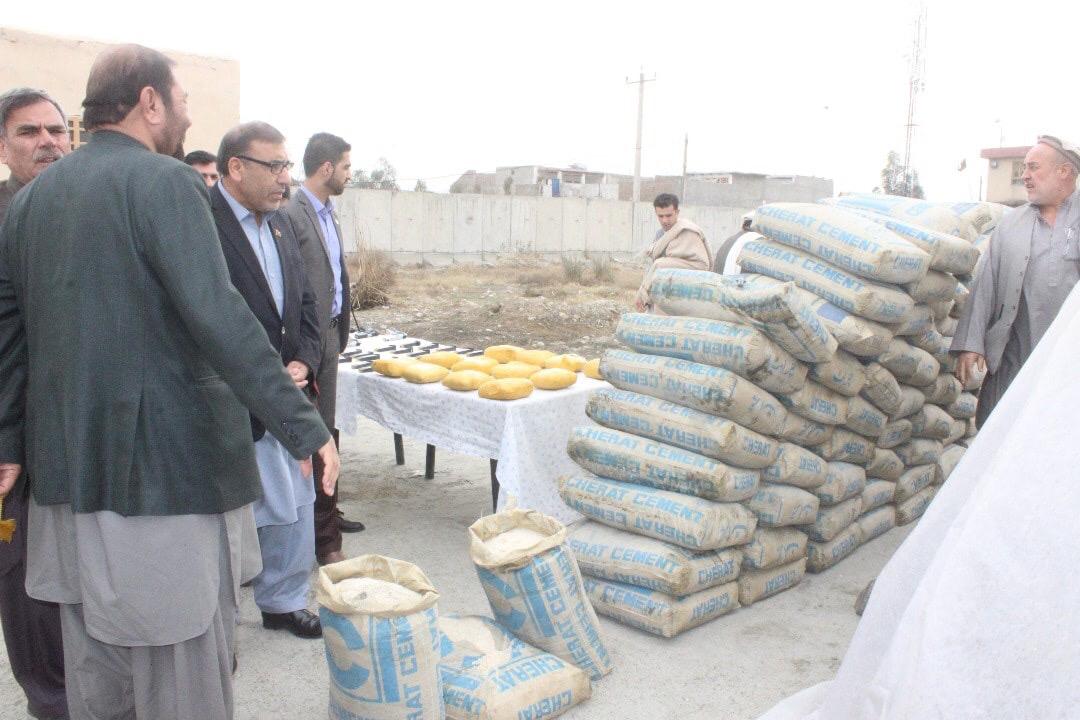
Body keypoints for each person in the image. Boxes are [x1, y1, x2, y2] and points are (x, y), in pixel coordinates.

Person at [0, 44, 340, 719]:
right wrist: (304, 426)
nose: (186, 118)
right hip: (162, 480)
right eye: (181, 103)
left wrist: (10, 440)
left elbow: (13, 342)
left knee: (97, 667)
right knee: (181, 671)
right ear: (149, 102)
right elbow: (221, 318)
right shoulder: (165, 182)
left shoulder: (30, 201)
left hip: (67, 476)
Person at [210, 121, 323, 638]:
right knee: (234, 516)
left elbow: (303, 303)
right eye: (273, 166)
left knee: (295, 504)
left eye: (286, 166)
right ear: (236, 167)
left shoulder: (279, 224)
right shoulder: (203, 223)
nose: (284, 178)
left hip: (286, 396)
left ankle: (283, 601)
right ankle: (219, 619)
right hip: (231, 400)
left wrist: (304, 358)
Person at [0, 87, 69, 720]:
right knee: (24, 576)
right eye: (29, 132)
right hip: (17, 444)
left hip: (75, 432)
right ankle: (51, 702)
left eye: (57, 129)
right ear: (3, 147)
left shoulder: (79, 211)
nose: (48, 140)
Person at [951, 135, 1080, 427]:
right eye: (1024, 168)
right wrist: (971, 343)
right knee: (998, 427)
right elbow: (986, 283)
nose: (1025, 176)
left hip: (1068, 363)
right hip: (1013, 355)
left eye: (1034, 168)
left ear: (1064, 172)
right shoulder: (1011, 223)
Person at [277, 132, 361, 566]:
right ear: (326, 168)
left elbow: (334, 276)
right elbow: (293, 286)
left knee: (326, 429)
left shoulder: (329, 214)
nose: (349, 173)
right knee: (310, 434)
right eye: (346, 166)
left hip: (330, 335)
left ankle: (325, 519)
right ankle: (321, 541)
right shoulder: (292, 214)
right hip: (305, 342)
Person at [635, 192, 710, 312]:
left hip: (683, 294)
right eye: (661, 216)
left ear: (677, 212)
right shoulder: (660, 235)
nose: (665, 220)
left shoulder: (688, 231)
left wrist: (665, 264)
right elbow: (652, 267)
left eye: (669, 215)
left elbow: (701, 265)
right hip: (662, 292)